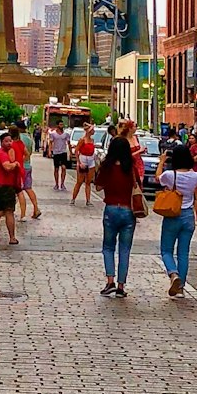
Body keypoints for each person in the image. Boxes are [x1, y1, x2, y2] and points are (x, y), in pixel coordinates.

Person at [156, 142, 197, 297]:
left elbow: (158, 178)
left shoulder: (170, 175)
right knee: (183, 252)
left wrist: (162, 161)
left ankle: (173, 274)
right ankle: (181, 287)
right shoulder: (195, 176)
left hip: (173, 214)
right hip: (188, 216)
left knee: (166, 250)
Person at [96, 135, 138, 297]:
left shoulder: (107, 167)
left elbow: (98, 187)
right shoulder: (131, 168)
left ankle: (110, 281)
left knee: (108, 247)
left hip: (111, 209)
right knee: (125, 250)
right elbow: (136, 186)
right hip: (128, 211)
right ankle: (121, 286)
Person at [0, 133, 22, 245]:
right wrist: (15, 164)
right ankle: (12, 238)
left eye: (10, 141)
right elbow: (6, 167)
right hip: (6, 187)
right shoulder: (3, 154)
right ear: (2, 142)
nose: (9, 143)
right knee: (9, 212)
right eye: (6, 141)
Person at [13, 126, 41, 220]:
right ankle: (36, 208)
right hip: (28, 166)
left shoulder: (15, 141)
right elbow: (29, 153)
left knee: (18, 191)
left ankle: (15, 211)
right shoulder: (28, 139)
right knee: (28, 188)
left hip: (20, 168)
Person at [71, 123, 97, 206]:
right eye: (92, 130)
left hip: (90, 159)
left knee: (88, 181)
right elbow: (76, 151)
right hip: (83, 159)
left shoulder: (92, 140)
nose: (94, 131)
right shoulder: (82, 140)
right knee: (79, 181)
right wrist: (79, 162)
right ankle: (73, 198)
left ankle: (88, 200)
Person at [48, 124, 70, 190]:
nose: (61, 125)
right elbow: (50, 142)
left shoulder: (66, 134)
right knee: (56, 169)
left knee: (63, 168)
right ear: (57, 125)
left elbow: (69, 143)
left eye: (62, 124)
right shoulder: (53, 134)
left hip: (63, 152)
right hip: (56, 152)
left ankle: (62, 183)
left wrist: (70, 152)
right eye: (60, 124)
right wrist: (49, 151)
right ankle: (56, 184)